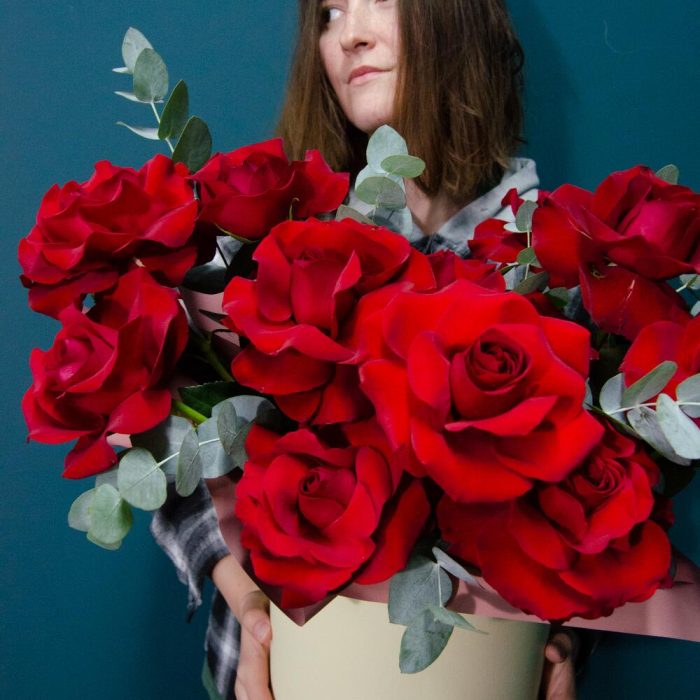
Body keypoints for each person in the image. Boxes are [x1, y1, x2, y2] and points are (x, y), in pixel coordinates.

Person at [152, 1, 584, 698]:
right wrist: (247, 601)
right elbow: (164, 441)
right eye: (328, 12)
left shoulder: (556, 259)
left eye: (378, 0)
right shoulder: (266, 244)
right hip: (283, 674)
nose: (348, 34)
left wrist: (561, 640)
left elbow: (593, 499)